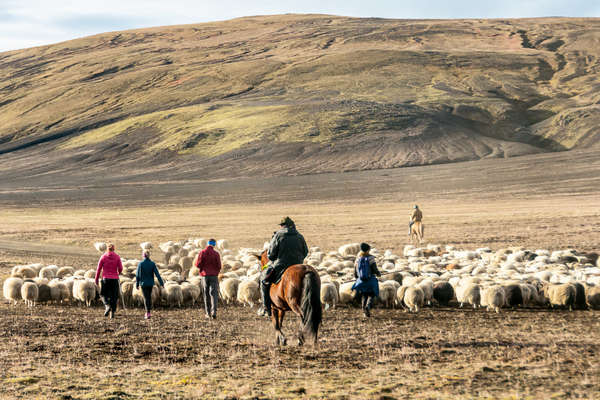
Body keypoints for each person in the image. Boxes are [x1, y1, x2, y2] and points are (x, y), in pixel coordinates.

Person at [259, 216, 308, 317]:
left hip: (281, 265)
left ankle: (266, 307)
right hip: (298, 264)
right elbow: (305, 251)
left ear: (282, 226)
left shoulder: (278, 235)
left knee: (263, 280)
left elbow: (271, 255)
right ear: (292, 225)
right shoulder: (300, 235)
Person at [351, 242, 381, 318]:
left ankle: (364, 311)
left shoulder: (358, 258)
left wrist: (357, 278)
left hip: (361, 281)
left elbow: (355, 271)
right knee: (372, 294)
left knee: (364, 295)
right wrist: (378, 273)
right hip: (370, 280)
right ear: (368, 250)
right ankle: (368, 306)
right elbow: (374, 269)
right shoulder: (371, 258)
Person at [195, 238, 222, 319]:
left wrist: (203, 268)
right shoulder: (216, 254)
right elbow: (219, 266)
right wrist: (215, 271)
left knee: (206, 294)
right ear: (214, 244)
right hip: (214, 276)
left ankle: (208, 313)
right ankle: (214, 312)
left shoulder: (202, 252)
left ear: (208, 243)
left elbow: (198, 264)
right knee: (214, 294)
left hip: (205, 276)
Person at [95, 243, 123, 319]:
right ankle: (112, 313)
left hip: (105, 279)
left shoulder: (103, 257)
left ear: (107, 249)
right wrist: (118, 273)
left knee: (103, 294)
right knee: (114, 296)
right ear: (114, 249)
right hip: (114, 279)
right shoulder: (117, 257)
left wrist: (96, 279)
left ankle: (107, 305)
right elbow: (120, 268)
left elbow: (98, 269)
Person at [136, 250, 164, 319]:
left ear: (143, 255)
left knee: (146, 298)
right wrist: (161, 283)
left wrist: (137, 283)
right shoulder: (152, 264)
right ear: (149, 256)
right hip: (150, 283)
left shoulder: (141, 264)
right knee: (148, 297)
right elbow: (157, 274)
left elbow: (137, 275)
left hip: (143, 284)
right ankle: (148, 312)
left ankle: (147, 313)